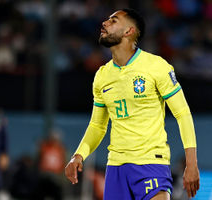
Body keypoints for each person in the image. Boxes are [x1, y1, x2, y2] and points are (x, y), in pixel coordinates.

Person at [65, 8, 199, 200]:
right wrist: (78, 155)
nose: (104, 23)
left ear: (129, 31)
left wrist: (191, 164)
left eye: (113, 21)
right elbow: (97, 125)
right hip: (116, 169)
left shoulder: (156, 66)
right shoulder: (102, 76)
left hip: (151, 163)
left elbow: (183, 113)